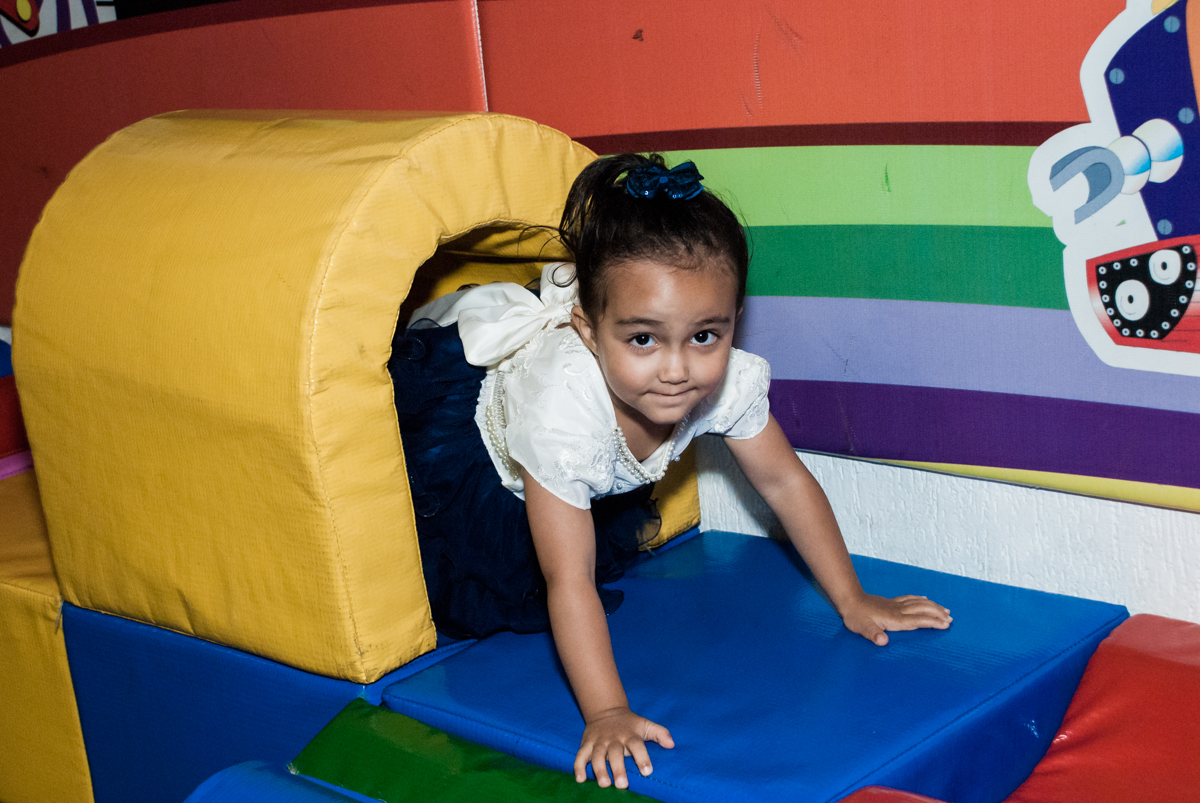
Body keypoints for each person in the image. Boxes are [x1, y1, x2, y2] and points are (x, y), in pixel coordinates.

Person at [388, 153, 952, 790]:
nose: (678, 368)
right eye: (644, 340)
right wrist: (606, 711)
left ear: (734, 321)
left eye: (705, 335)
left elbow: (784, 482)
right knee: (469, 569)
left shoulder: (729, 381)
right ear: (590, 331)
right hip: (472, 460)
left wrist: (851, 597)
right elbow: (567, 577)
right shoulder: (560, 412)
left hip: (583, 464)